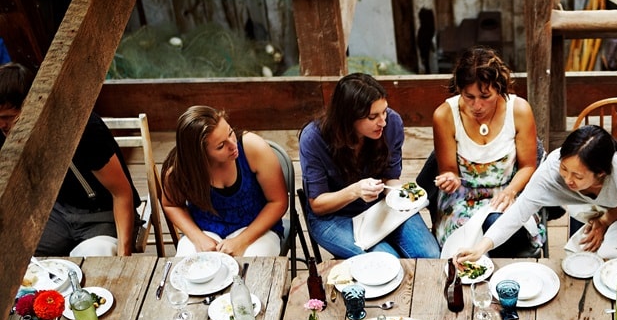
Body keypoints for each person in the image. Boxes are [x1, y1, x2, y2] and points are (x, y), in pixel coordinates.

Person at [455, 125, 617, 262]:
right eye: (564, 168)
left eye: (577, 175)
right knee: (584, 255)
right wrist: (480, 248)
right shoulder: (551, 171)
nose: (567, 180)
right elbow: (518, 212)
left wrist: (605, 220)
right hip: (584, 199)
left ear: (600, 173)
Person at [0, 62, 139, 256]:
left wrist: (124, 257)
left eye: (8, 116)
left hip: (102, 215)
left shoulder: (83, 128)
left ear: (31, 105)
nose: (2, 125)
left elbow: (122, 194)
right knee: (13, 257)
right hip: (57, 214)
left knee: (96, 255)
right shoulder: (6, 133)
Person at [299, 72, 440, 259]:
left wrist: (400, 197)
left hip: (382, 205)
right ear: (349, 118)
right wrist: (355, 191)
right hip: (335, 217)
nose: (383, 121)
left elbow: (391, 177)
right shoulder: (314, 138)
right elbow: (317, 204)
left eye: (384, 111)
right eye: (373, 116)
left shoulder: (392, 123)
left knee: (429, 255)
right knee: (388, 260)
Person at [430, 46, 542, 256]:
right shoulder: (445, 115)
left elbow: (528, 166)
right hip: (463, 198)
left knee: (504, 225)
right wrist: (450, 179)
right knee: (467, 245)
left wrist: (510, 192)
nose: (477, 105)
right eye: (468, 96)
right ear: (459, 89)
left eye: (485, 96)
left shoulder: (519, 110)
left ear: (499, 87)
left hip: (508, 191)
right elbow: (450, 171)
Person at [161, 105, 288, 257]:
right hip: (205, 231)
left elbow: (278, 202)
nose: (233, 145)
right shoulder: (179, 171)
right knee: (190, 269)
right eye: (221, 146)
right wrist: (197, 237)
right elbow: (172, 205)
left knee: (255, 270)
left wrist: (242, 241)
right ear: (200, 155)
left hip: (256, 229)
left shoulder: (253, 148)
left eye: (230, 132)